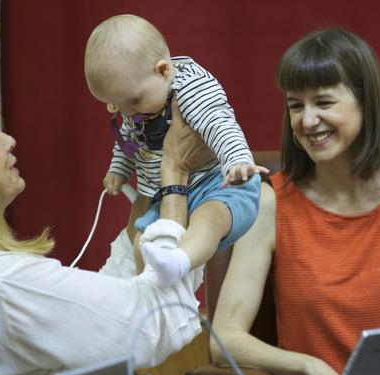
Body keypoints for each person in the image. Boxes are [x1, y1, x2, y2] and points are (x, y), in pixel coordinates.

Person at [0, 90, 214, 375]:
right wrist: (175, 176)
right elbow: (155, 324)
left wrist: (142, 211)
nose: (9, 141)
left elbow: (103, 315)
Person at [211, 28, 380, 375]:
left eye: (324, 102)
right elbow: (224, 341)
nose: (307, 120)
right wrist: (306, 365)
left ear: (366, 102)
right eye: (296, 105)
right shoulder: (270, 203)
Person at [84, 14, 267, 285]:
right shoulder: (133, 105)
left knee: (209, 219)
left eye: (133, 102)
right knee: (142, 243)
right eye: (115, 105)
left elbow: (220, 124)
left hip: (218, 185)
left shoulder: (191, 89)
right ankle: (147, 291)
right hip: (165, 196)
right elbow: (127, 140)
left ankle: (179, 262)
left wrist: (237, 161)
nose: (127, 112)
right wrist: (118, 170)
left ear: (163, 71)